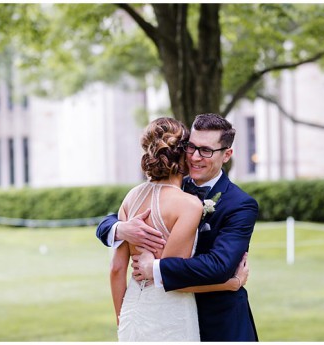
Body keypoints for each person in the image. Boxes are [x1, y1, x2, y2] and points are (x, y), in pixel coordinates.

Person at [97, 113, 258, 341]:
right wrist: (120, 229)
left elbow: (219, 265)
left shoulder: (240, 205)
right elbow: (108, 223)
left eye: (206, 150)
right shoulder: (169, 187)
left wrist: (154, 268)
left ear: (227, 155)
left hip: (220, 323)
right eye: (191, 147)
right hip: (169, 314)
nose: (195, 157)